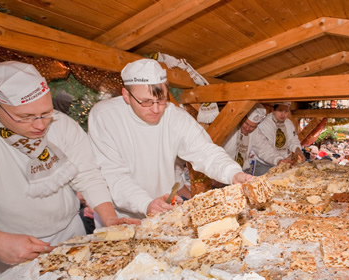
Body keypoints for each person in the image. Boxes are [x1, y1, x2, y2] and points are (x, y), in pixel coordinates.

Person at [0, 61, 138, 275]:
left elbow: (88, 175)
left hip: (70, 234)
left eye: (46, 113)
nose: (40, 125)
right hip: (10, 247)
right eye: (26, 117)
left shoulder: (61, 125)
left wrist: (109, 218)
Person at [88, 59, 253, 219]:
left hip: (165, 211)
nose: (156, 109)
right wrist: (145, 203)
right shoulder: (105, 116)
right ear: (126, 95)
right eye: (146, 102)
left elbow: (205, 151)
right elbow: (113, 175)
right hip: (123, 217)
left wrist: (233, 173)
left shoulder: (174, 116)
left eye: (161, 100)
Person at [251, 102, 305, 175]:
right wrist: (280, 160)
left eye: (286, 111)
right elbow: (266, 149)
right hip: (264, 164)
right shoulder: (265, 124)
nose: (283, 114)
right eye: (280, 110)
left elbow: (293, 140)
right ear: (273, 110)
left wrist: (297, 150)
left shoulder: (288, 123)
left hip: (282, 162)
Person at [222, 104, 267, 174]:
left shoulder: (256, 132)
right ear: (242, 118)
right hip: (223, 170)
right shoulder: (229, 129)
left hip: (241, 171)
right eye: (246, 123)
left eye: (252, 126)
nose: (247, 128)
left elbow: (265, 148)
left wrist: (279, 160)